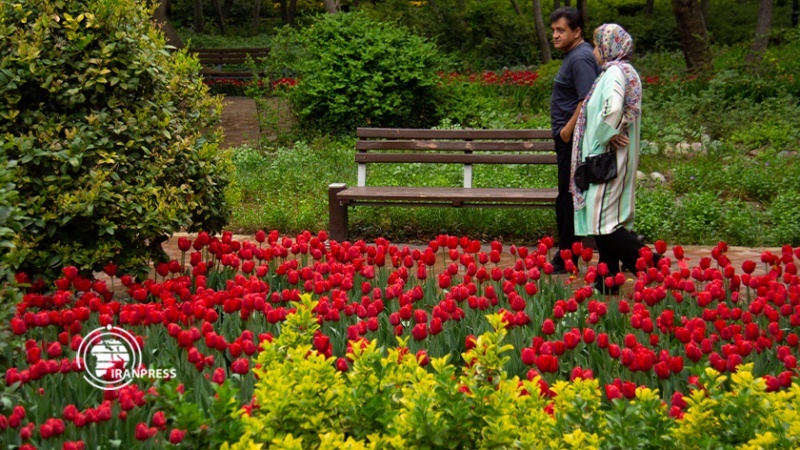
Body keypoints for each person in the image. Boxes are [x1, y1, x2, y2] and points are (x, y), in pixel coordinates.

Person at [569, 23, 658, 294]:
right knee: (602, 222)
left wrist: (609, 132)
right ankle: (606, 282)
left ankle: (653, 266)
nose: (595, 50)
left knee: (604, 222)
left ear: (609, 47)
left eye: (598, 45)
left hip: (606, 162)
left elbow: (615, 107)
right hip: (609, 160)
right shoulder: (619, 72)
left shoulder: (615, 73)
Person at [549, 7, 600, 273]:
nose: (555, 35)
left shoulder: (580, 58)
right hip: (568, 140)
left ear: (577, 31)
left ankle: (565, 258)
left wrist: (567, 131)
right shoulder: (574, 55)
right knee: (566, 198)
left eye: (561, 30)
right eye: (553, 30)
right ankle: (567, 255)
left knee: (568, 198)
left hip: (573, 141)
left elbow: (587, 99)